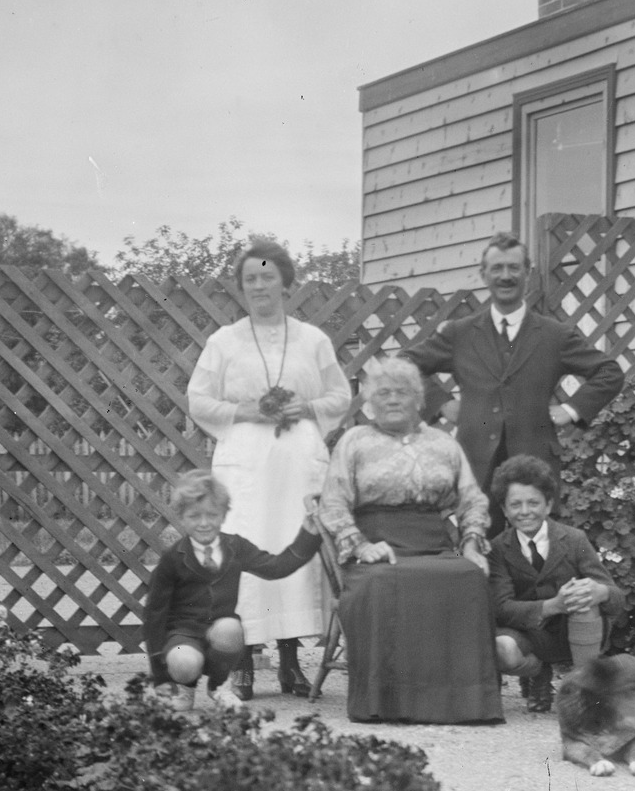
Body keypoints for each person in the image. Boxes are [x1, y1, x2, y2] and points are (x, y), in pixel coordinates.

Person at [187, 241, 351, 699]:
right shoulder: (223, 342)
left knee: (294, 552)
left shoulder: (313, 340)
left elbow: (340, 396)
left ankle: (290, 663)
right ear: (241, 287)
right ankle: (242, 663)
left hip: (296, 462)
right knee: (246, 555)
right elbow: (198, 400)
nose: (259, 286)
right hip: (246, 465)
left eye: (267, 277)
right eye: (250, 279)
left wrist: (307, 406)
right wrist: (245, 411)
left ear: (285, 283)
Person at [316, 356, 502, 724]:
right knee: (381, 581)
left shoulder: (443, 443)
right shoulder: (354, 441)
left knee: (468, 576)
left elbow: (472, 499)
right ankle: (386, 702)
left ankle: (464, 703)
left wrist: (470, 542)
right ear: (370, 401)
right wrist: (361, 545)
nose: (392, 399)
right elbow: (333, 503)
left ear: (418, 400)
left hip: (433, 543)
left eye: (401, 392)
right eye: (383, 393)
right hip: (376, 545)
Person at [405, 231, 624, 532]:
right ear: (483, 274)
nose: (506, 276)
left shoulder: (554, 335)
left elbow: (609, 372)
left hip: (536, 465)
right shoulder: (460, 333)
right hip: (475, 465)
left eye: (514, 268)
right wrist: (441, 403)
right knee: (475, 543)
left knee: (536, 550)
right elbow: (405, 365)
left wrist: (571, 410)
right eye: (497, 268)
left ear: (527, 273)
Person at [143, 470, 323, 712]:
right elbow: (154, 615)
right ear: (182, 518)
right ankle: (184, 687)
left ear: (224, 514)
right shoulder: (172, 558)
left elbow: (276, 567)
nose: (204, 523)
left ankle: (219, 686)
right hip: (182, 636)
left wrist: (309, 533)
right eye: (194, 516)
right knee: (184, 661)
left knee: (230, 627)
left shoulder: (235, 547)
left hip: (220, 632)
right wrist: (160, 677)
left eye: (212, 515)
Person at [488, 454, 627, 714]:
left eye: (533, 502)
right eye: (515, 504)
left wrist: (600, 592)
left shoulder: (574, 540)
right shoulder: (498, 548)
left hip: (572, 631)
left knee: (584, 598)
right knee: (502, 649)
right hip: (526, 634)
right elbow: (501, 608)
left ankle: (583, 691)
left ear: (548, 504)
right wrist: (553, 605)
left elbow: (617, 598)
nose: (525, 511)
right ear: (505, 510)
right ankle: (537, 673)